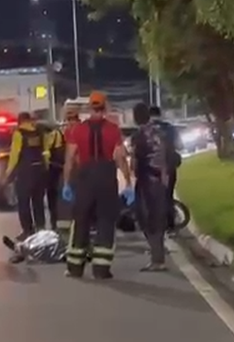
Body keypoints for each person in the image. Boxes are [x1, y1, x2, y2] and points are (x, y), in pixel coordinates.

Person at [61, 91, 134, 279]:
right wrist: (127, 183)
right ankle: (101, 269)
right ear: (105, 107)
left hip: (84, 178)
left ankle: (75, 268)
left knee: (81, 221)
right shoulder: (113, 129)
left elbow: (69, 159)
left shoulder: (78, 130)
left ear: (89, 108)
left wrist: (67, 184)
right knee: (105, 221)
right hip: (106, 178)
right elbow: (120, 158)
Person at [132, 103, 170, 271]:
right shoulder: (160, 132)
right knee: (158, 218)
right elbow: (167, 155)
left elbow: (134, 161)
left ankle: (157, 259)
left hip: (146, 180)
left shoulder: (138, 135)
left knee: (145, 218)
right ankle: (158, 255)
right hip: (160, 179)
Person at [5, 111, 49, 241]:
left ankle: (27, 230)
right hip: (39, 172)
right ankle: (41, 229)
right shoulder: (40, 133)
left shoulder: (19, 134)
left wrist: (7, 174)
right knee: (38, 202)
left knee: (24, 203)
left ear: (20, 121)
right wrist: (45, 168)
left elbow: (14, 155)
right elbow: (45, 152)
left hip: (25, 173)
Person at [149, 106, 182, 233]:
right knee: (168, 196)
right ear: (160, 114)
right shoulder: (171, 129)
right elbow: (180, 145)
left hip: (151, 168)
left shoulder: (146, 129)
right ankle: (170, 226)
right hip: (169, 167)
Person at [57, 107, 81, 231]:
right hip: (73, 168)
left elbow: (71, 155)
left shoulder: (80, 130)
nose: (71, 122)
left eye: (73, 119)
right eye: (69, 119)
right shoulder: (66, 132)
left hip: (80, 168)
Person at [44, 120, 65, 231]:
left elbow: (48, 151)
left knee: (53, 197)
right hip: (56, 169)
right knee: (54, 196)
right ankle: (55, 222)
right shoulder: (57, 134)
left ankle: (55, 222)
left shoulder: (54, 135)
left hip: (54, 169)